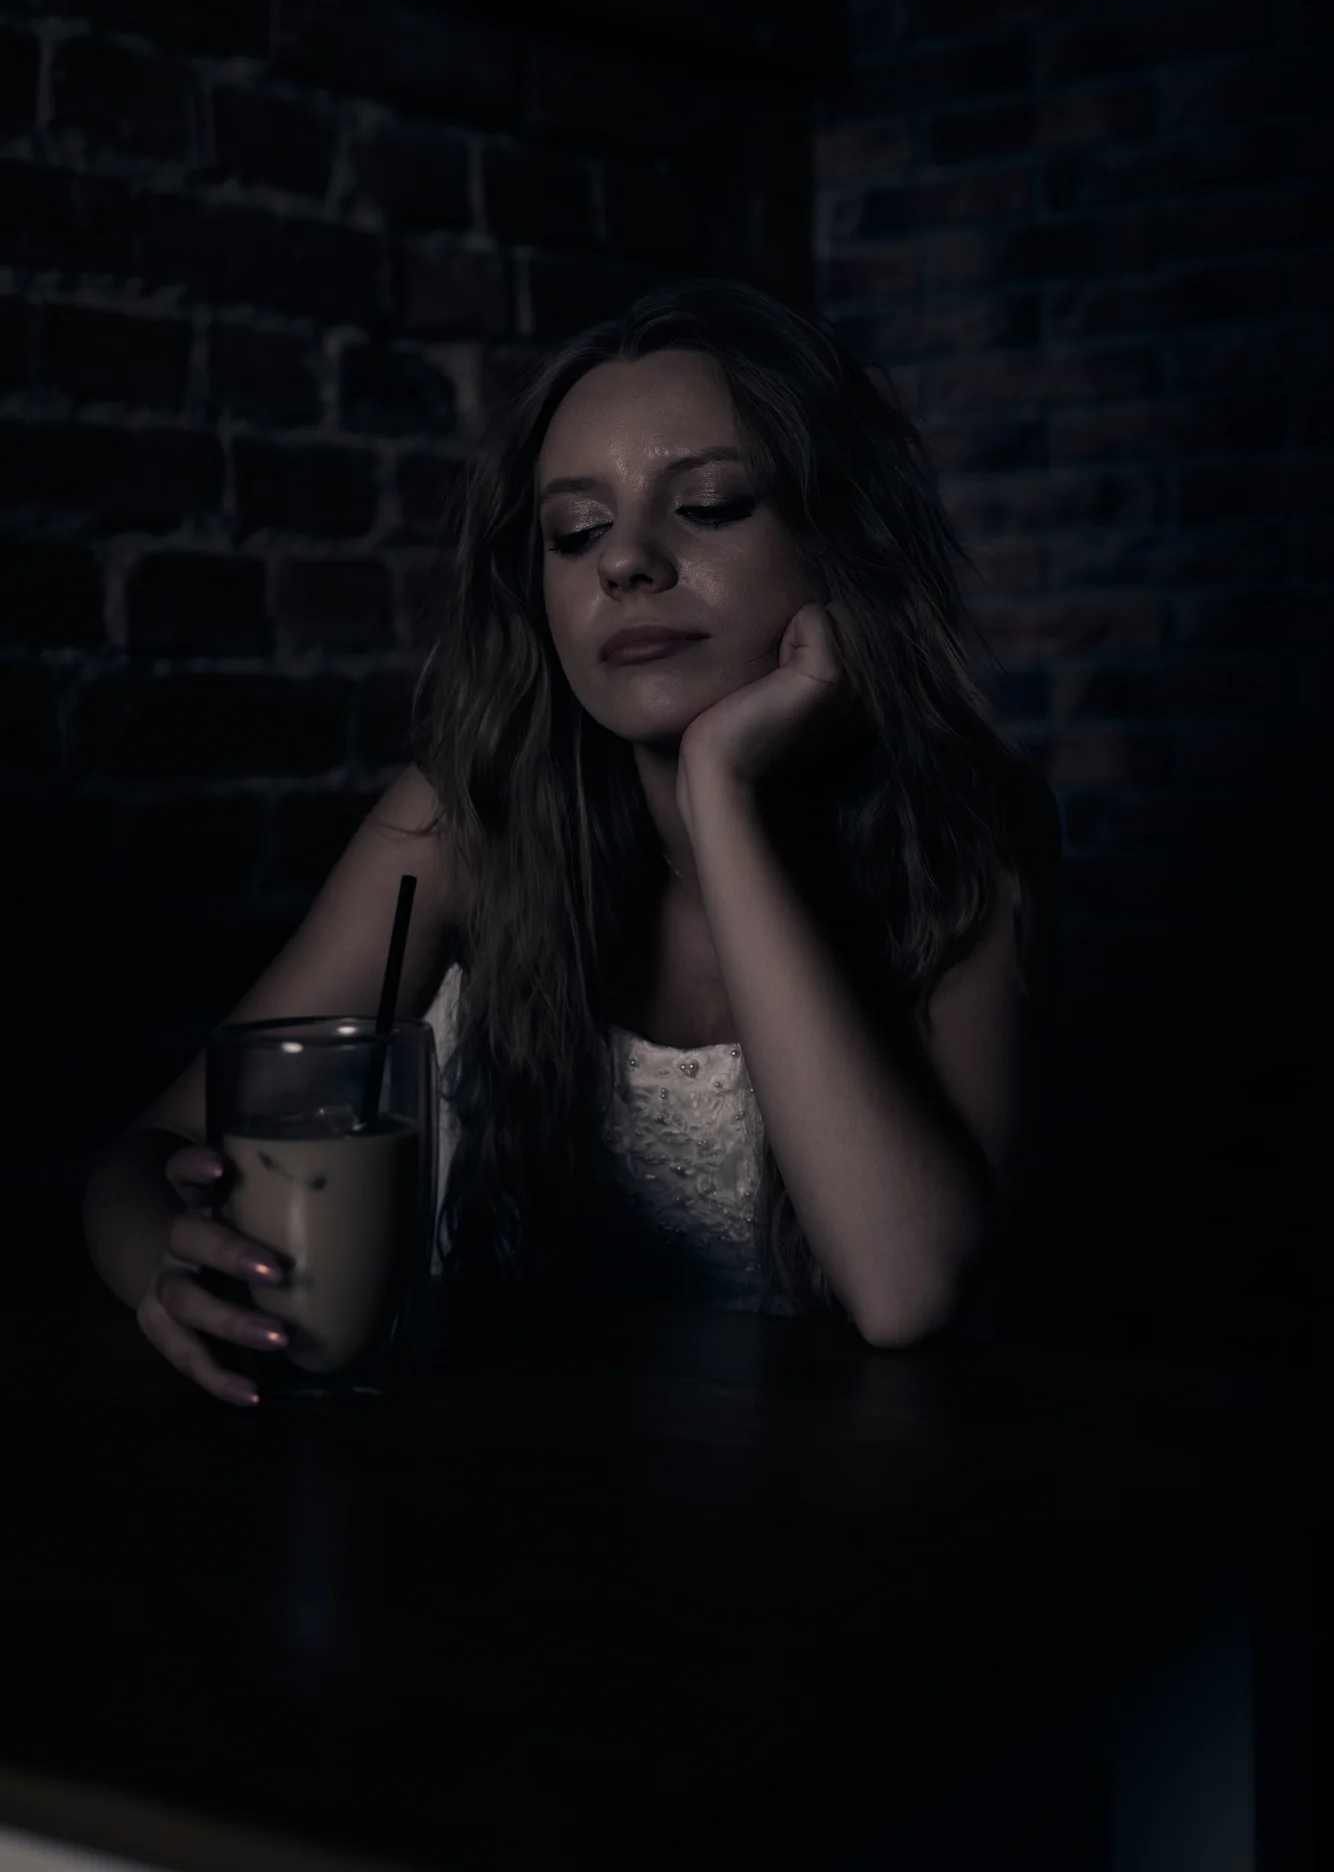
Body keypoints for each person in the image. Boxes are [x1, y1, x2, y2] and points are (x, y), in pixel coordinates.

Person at [82, 278, 1058, 1406]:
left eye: (711, 504)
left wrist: (721, 791)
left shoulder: (970, 831)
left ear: (841, 543)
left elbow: (910, 1285)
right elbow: (140, 1156)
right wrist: (166, 1258)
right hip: (492, 1485)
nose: (625, 561)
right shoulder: (465, 815)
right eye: (576, 529)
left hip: (834, 1518)